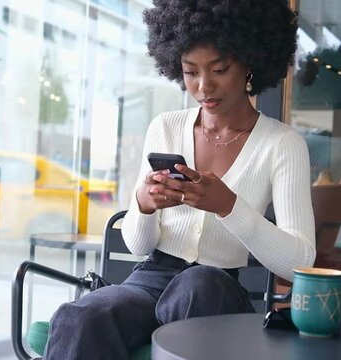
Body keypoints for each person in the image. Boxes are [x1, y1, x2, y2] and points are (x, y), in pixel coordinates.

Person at [43, 1, 316, 359]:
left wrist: (228, 206)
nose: (204, 86)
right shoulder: (165, 127)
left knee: (196, 284)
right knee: (80, 316)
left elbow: (302, 263)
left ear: (249, 62)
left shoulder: (282, 144)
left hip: (216, 288)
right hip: (150, 279)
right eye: (190, 72)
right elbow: (139, 246)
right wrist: (143, 203)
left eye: (219, 69)